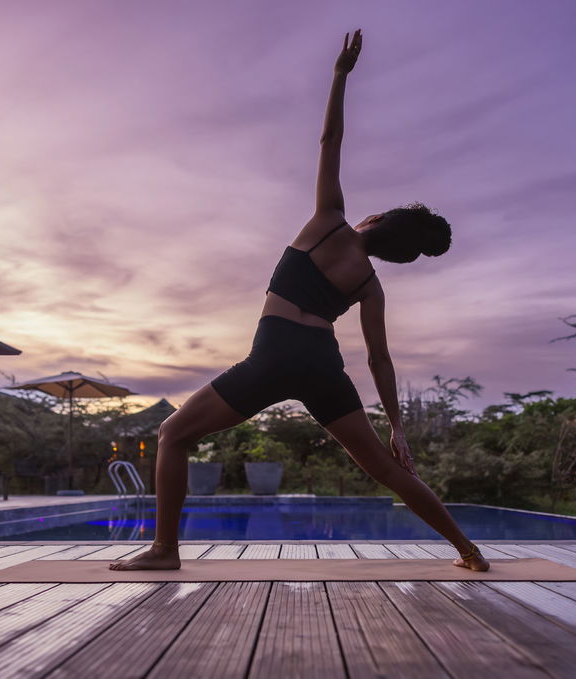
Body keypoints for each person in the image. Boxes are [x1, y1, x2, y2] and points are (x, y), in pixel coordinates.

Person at [111, 29, 489, 572]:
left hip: (275, 355)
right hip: (322, 366)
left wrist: (339, 75)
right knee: (386, 466)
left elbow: (329, 142)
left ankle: (165, 550)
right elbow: (380, 359)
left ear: (375, 220)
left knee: (173, 434)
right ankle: (469, 551)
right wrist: (397, 427)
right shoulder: (370, 284)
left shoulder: (328, 223)